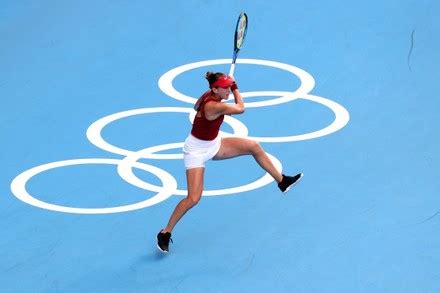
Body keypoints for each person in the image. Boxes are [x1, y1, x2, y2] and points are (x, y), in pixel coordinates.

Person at [157, 72, 303, 253]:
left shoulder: (208, 96)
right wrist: (235, 88)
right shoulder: (213, 106)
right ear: (215, 88)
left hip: (214, 144)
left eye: (229, 86)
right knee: (193, 198)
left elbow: (195, 107)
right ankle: (165, 232)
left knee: (254, 146)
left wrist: (217, 91)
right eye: (225, 87)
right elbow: (241, 108)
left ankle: (282, 181)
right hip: (195, 151)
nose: (228, 89)